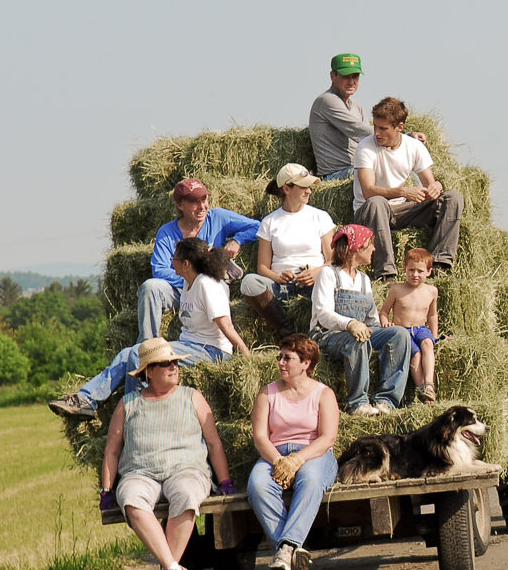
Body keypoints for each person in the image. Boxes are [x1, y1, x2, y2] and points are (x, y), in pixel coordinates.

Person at [98, 337, 235, 570]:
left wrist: (225, 480)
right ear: (148, 372)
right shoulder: (129, 403)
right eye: (165, 364)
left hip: (186, 470)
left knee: (186, 494)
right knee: (131, 498)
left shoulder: (192, 397)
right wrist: (107, 489)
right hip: (140, 472)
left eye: (174, 362)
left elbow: (214, 442)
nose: (173, 367)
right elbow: (112, 450)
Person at [51, 237, 249, 419]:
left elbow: (226, 324)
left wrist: (246, 357)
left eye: (175, 258)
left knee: (140, 356)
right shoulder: (188, 285)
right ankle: (86, 400)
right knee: (127, 354)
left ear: (185, 264)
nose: (172, 262)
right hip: (189, 345)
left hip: (211, 351)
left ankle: (134, 416)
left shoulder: (207, 284)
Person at [247, 333, 340, 570]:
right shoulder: (267, 394)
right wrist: (279, 461)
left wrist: (298, 460)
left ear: (305, 364)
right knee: (257, 484)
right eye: (280, 357)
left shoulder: (324, 394)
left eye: (287, 358)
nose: (280, 363)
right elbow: (260, 436)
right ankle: (288, 548)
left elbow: (327, 437)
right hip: (274, 454)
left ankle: (286, 545)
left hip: (313, 454)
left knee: (310, 481)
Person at [353, 96, 463, 280]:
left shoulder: (414, 147)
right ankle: (386, 274)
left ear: (400, 127)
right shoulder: (365, 147)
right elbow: (368, 191)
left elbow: (430, 183)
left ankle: (439, 264)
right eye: (375, 127)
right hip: (370, 212)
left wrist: (436, 187)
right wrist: (403, 191)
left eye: (383, 128)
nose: (377, 133)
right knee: (376, 203)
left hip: (401, 210)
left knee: (452, 198)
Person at [138, 178, 260, 342]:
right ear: (180, 205)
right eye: (194, 202)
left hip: (210, 286)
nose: (202, 206)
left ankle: (219, 345)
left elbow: (258, 226)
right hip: (178, 289)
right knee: (150, 287)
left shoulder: (218, 218)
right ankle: (148, 347)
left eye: (204, 199)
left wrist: (238, 240)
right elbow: (159, 269)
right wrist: (192, 280)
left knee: (219, 287)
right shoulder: (166, 232)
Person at [311, 224, 412, 415]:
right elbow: (323, 314)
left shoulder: (364, 279)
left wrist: (382, 329)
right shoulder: (328, 274)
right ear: (356, 247)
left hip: (360, 331)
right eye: (370, 244)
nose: (374, 249)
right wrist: (350, 323)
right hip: (327, 335)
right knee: (358, 338)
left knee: (399, 334)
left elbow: (371, 318)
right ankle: (358, 403)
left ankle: (386, 400)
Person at [238, 163, 336, 337]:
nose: (309, 191)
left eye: (309, 187)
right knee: (249, 282)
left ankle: (317, 333)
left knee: (330, 284)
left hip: (313, 283)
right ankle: (286, 330)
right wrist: (278, 277)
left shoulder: (320, 217)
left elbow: (333, 260)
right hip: (280, 287)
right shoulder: (270, 222)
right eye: (304, 187)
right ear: (287, 189)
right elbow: (262, 267)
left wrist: (316, 272)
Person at [307, 53, 428, 180]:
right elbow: (362, 133)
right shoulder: (327, 101)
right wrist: (406, 137)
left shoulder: (356, 105)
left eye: (355, 77)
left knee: (400, 164)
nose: (351, 82)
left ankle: (426, 196)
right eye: (345, 77)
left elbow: (370, 138)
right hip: (335, 174)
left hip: (357, 166)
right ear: (333, 76)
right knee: (386, 169)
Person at [380, 247, 441, 402]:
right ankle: (422, 389)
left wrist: (434, 336)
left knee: (427, 344)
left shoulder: (432, 291)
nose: (415, 275)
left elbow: (432, 314)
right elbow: (384, 311)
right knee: (416, 355)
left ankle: (429, 384)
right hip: (403, 331)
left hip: (421, 329)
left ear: (429, 271)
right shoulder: (396, 289)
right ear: (404, 269)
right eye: (411, 270)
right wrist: (386, 323)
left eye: (420, 271)